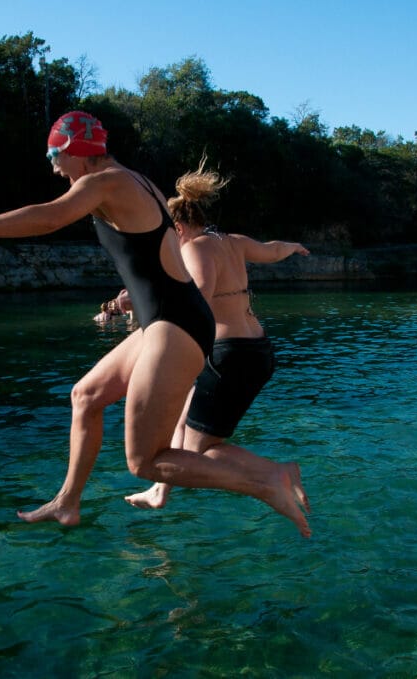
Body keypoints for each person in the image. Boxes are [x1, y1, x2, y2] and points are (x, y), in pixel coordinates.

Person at [0, 111, 311, 537]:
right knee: (86, 396)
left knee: (145, 461)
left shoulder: (105, 182)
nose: (54, 165)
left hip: (175, 324)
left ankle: (267, 481)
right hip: (168, 317)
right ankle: (67, 503)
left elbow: (48, 217)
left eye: (53, 154)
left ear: (76, 150)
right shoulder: (132, 181)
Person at [124, 159, 310, 511]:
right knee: (180, 417)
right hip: (257, 349)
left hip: (232, 356)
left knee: (198, 453)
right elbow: (271, 249)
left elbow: (201, 296)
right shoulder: (232, 241)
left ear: (178, 227)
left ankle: (279, 471)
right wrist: (292, 245)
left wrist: (145, 308)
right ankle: (158, 492)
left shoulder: (195, 248)